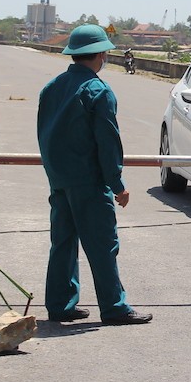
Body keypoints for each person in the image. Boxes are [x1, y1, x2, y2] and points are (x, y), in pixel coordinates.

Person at [37, 24, 152, 325]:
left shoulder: (51, 88)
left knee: (63, 242)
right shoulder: (98, 91)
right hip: (88, 181)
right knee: (102, 243)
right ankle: (114, 307)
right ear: (99, 54)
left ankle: (60, 305)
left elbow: (44, 136)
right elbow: (107, 142)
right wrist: (117, 184)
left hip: (60, 180)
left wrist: (55, 174)